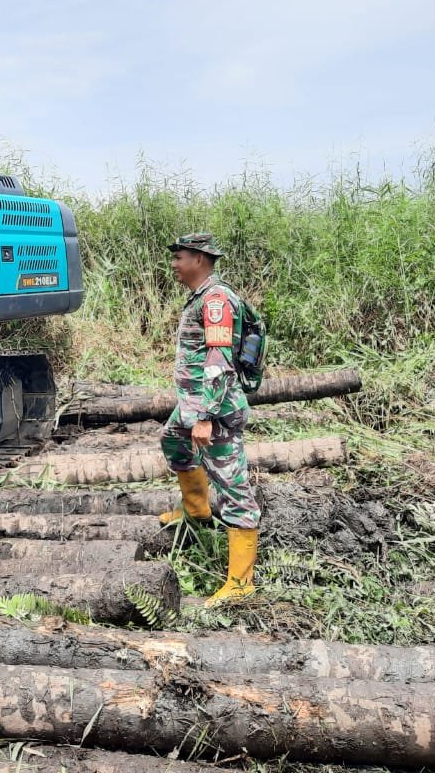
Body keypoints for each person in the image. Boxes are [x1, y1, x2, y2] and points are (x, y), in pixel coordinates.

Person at [159, 232, 260, 605]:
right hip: (194, 405)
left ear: (199, 259)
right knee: (172, 440)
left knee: (234, 488)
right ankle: (198, 511)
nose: (174, 264)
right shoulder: (201, 297)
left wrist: (205, 417)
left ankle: (240, 583)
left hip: (214, 410)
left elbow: (219, 363)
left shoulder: (216, 301)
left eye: (179, 257)